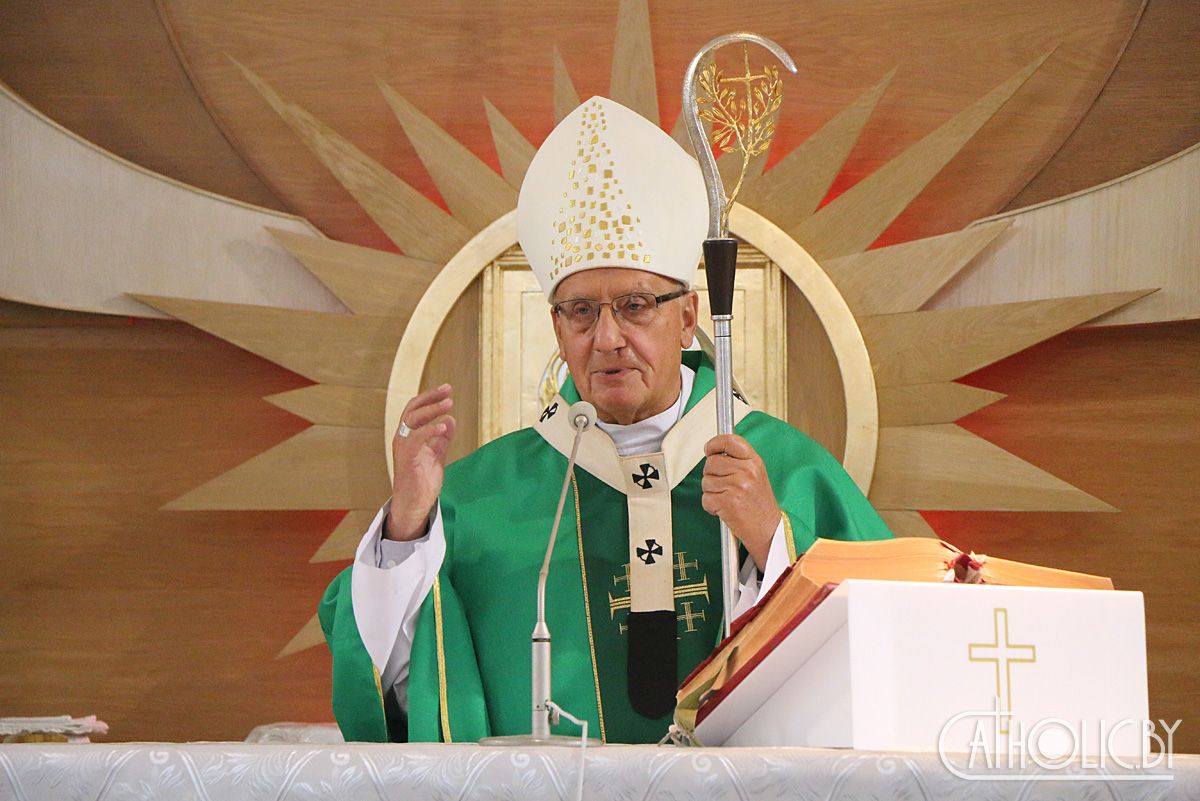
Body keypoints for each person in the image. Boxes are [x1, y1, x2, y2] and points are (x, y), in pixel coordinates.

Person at [319, 96, 892, 744]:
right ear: (557, 329)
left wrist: (772, 543)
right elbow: (390, 680)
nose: (608, 338)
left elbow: (890, 644)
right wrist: (406, 526)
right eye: (581, 312)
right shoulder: (477, 501)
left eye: (636, 305)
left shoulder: (786, 470)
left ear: (686, 317)